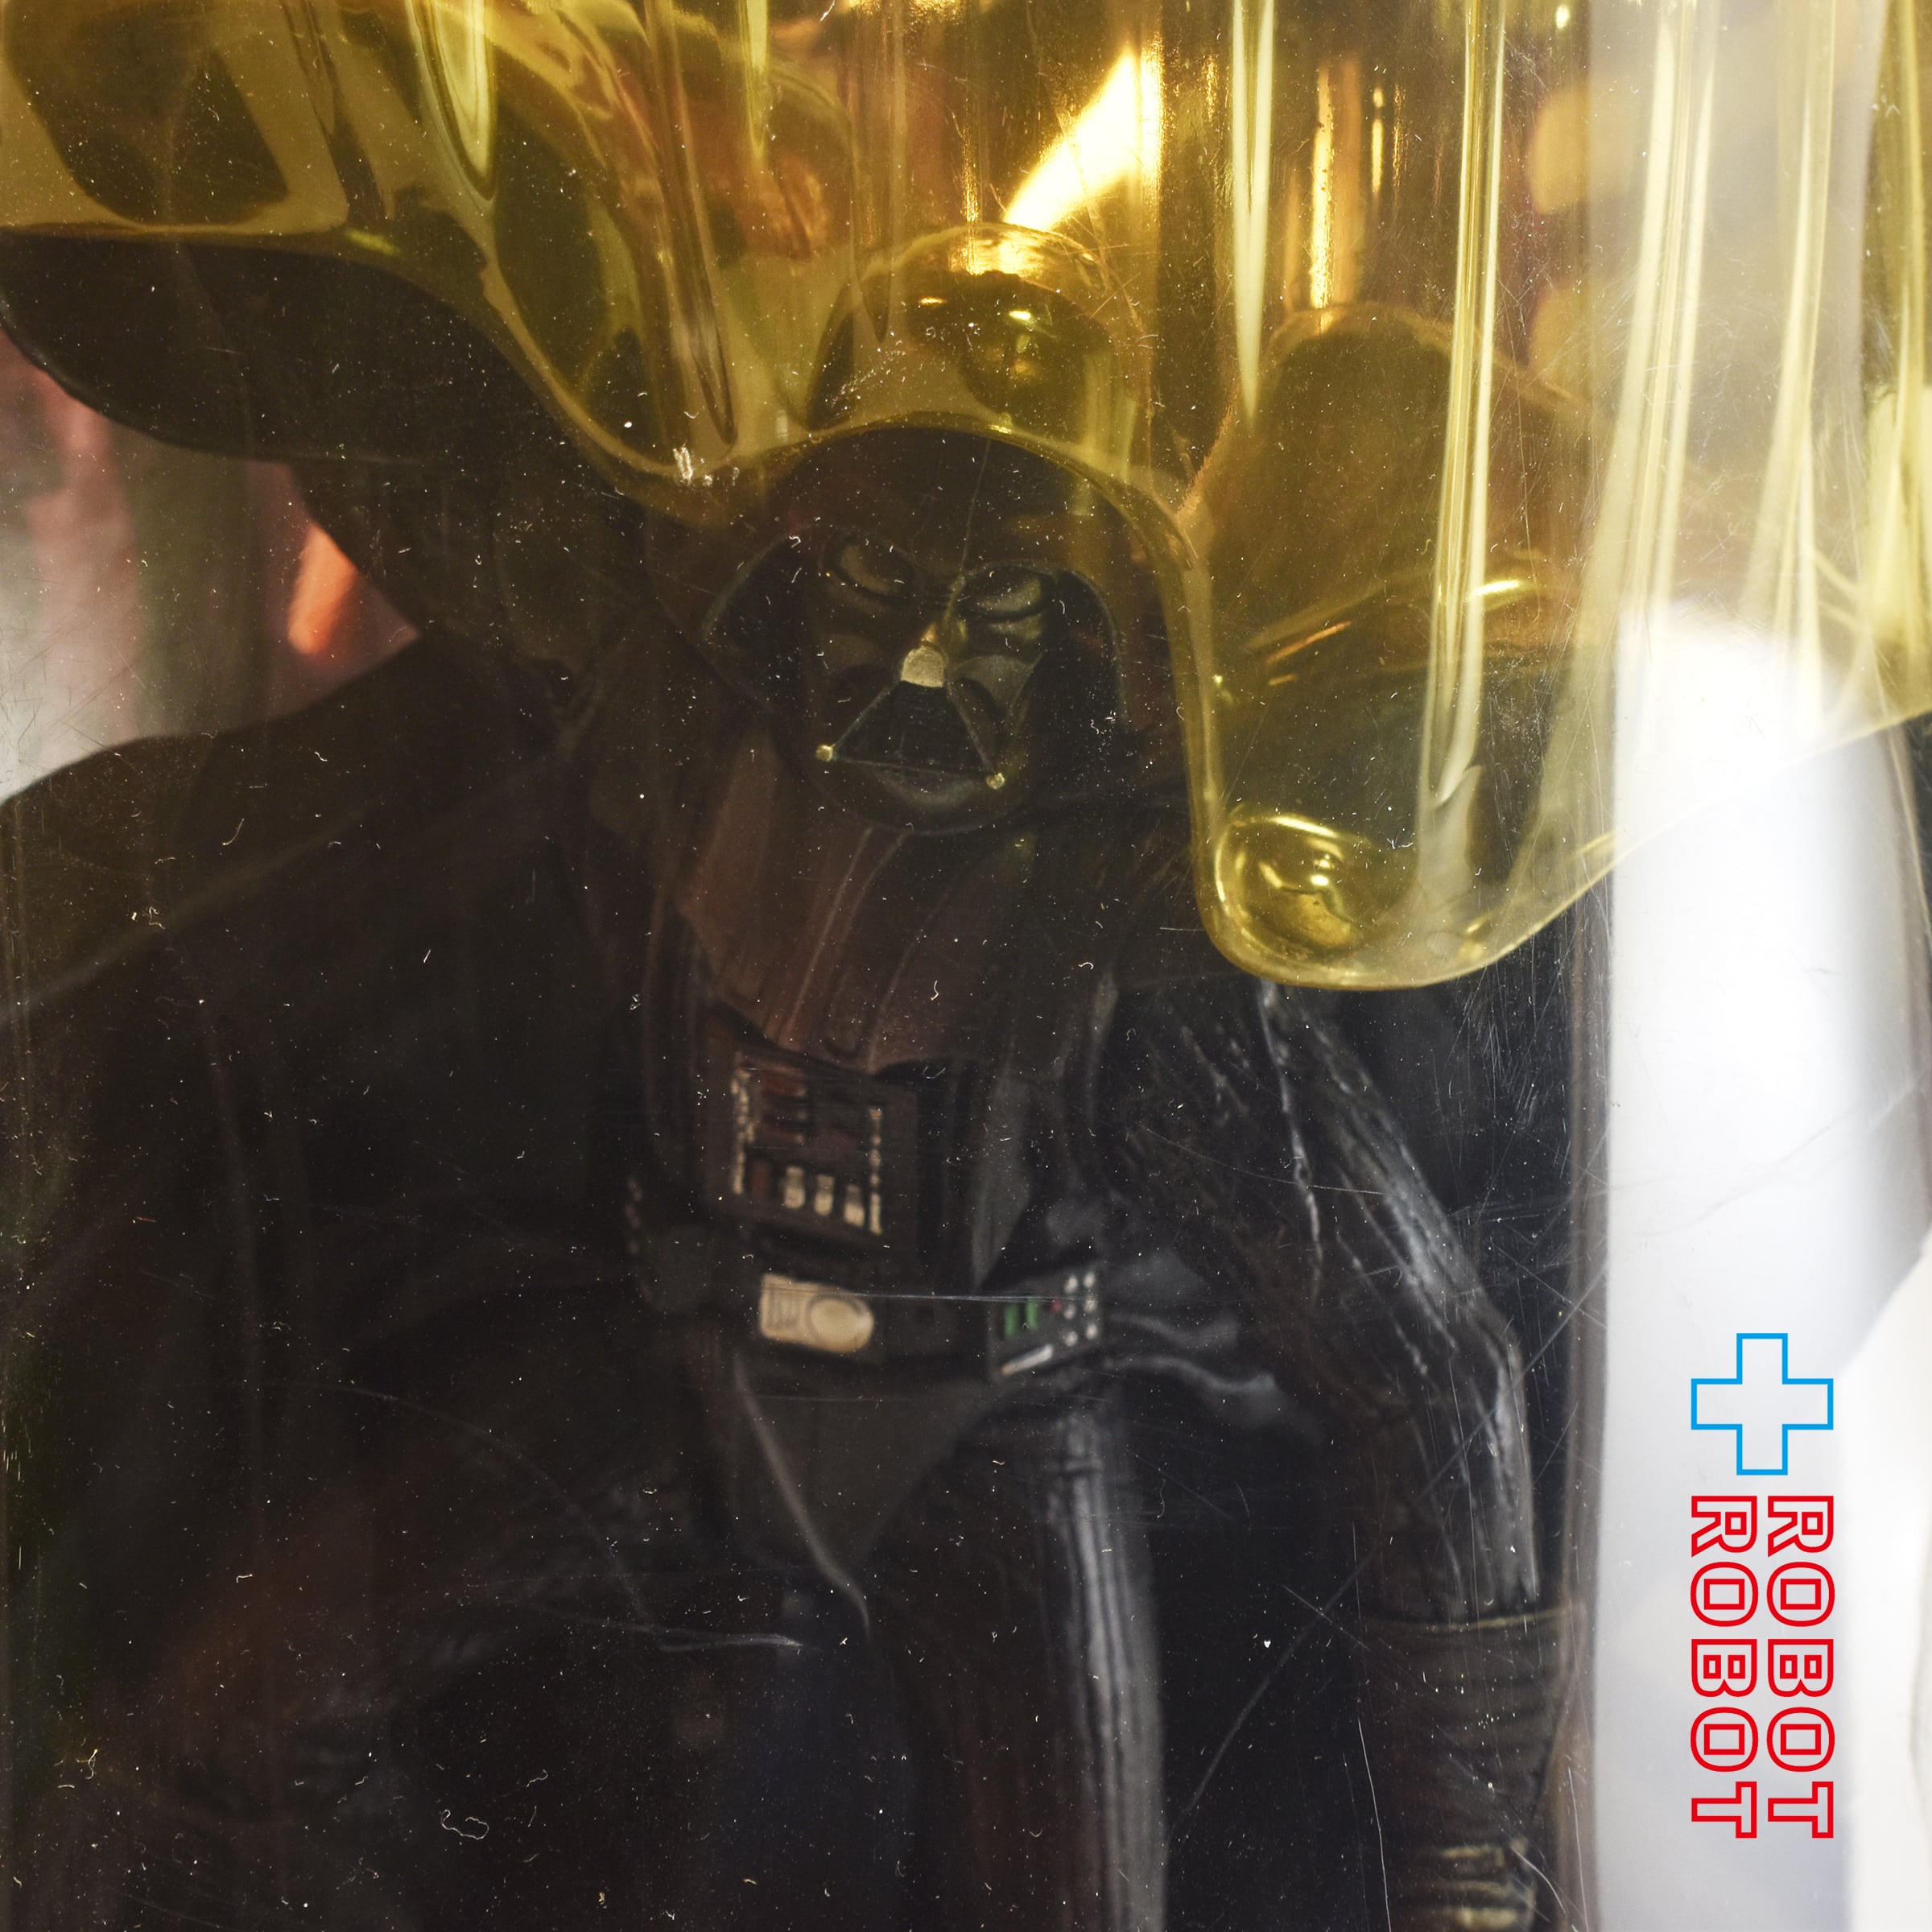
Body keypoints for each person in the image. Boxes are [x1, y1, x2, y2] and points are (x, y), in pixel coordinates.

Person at [0, 14, 1576, 1929]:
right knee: (227, 1727)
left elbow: (1427, 1375)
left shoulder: (1122, 950)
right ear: (792, 559)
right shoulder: (666, 715)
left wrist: (1479, 1877)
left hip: (997, 1426)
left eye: (995, 615)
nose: (920, 664)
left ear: (1085, 636)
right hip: (683, 1371)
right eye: (878, 588)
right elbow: (390, 445)